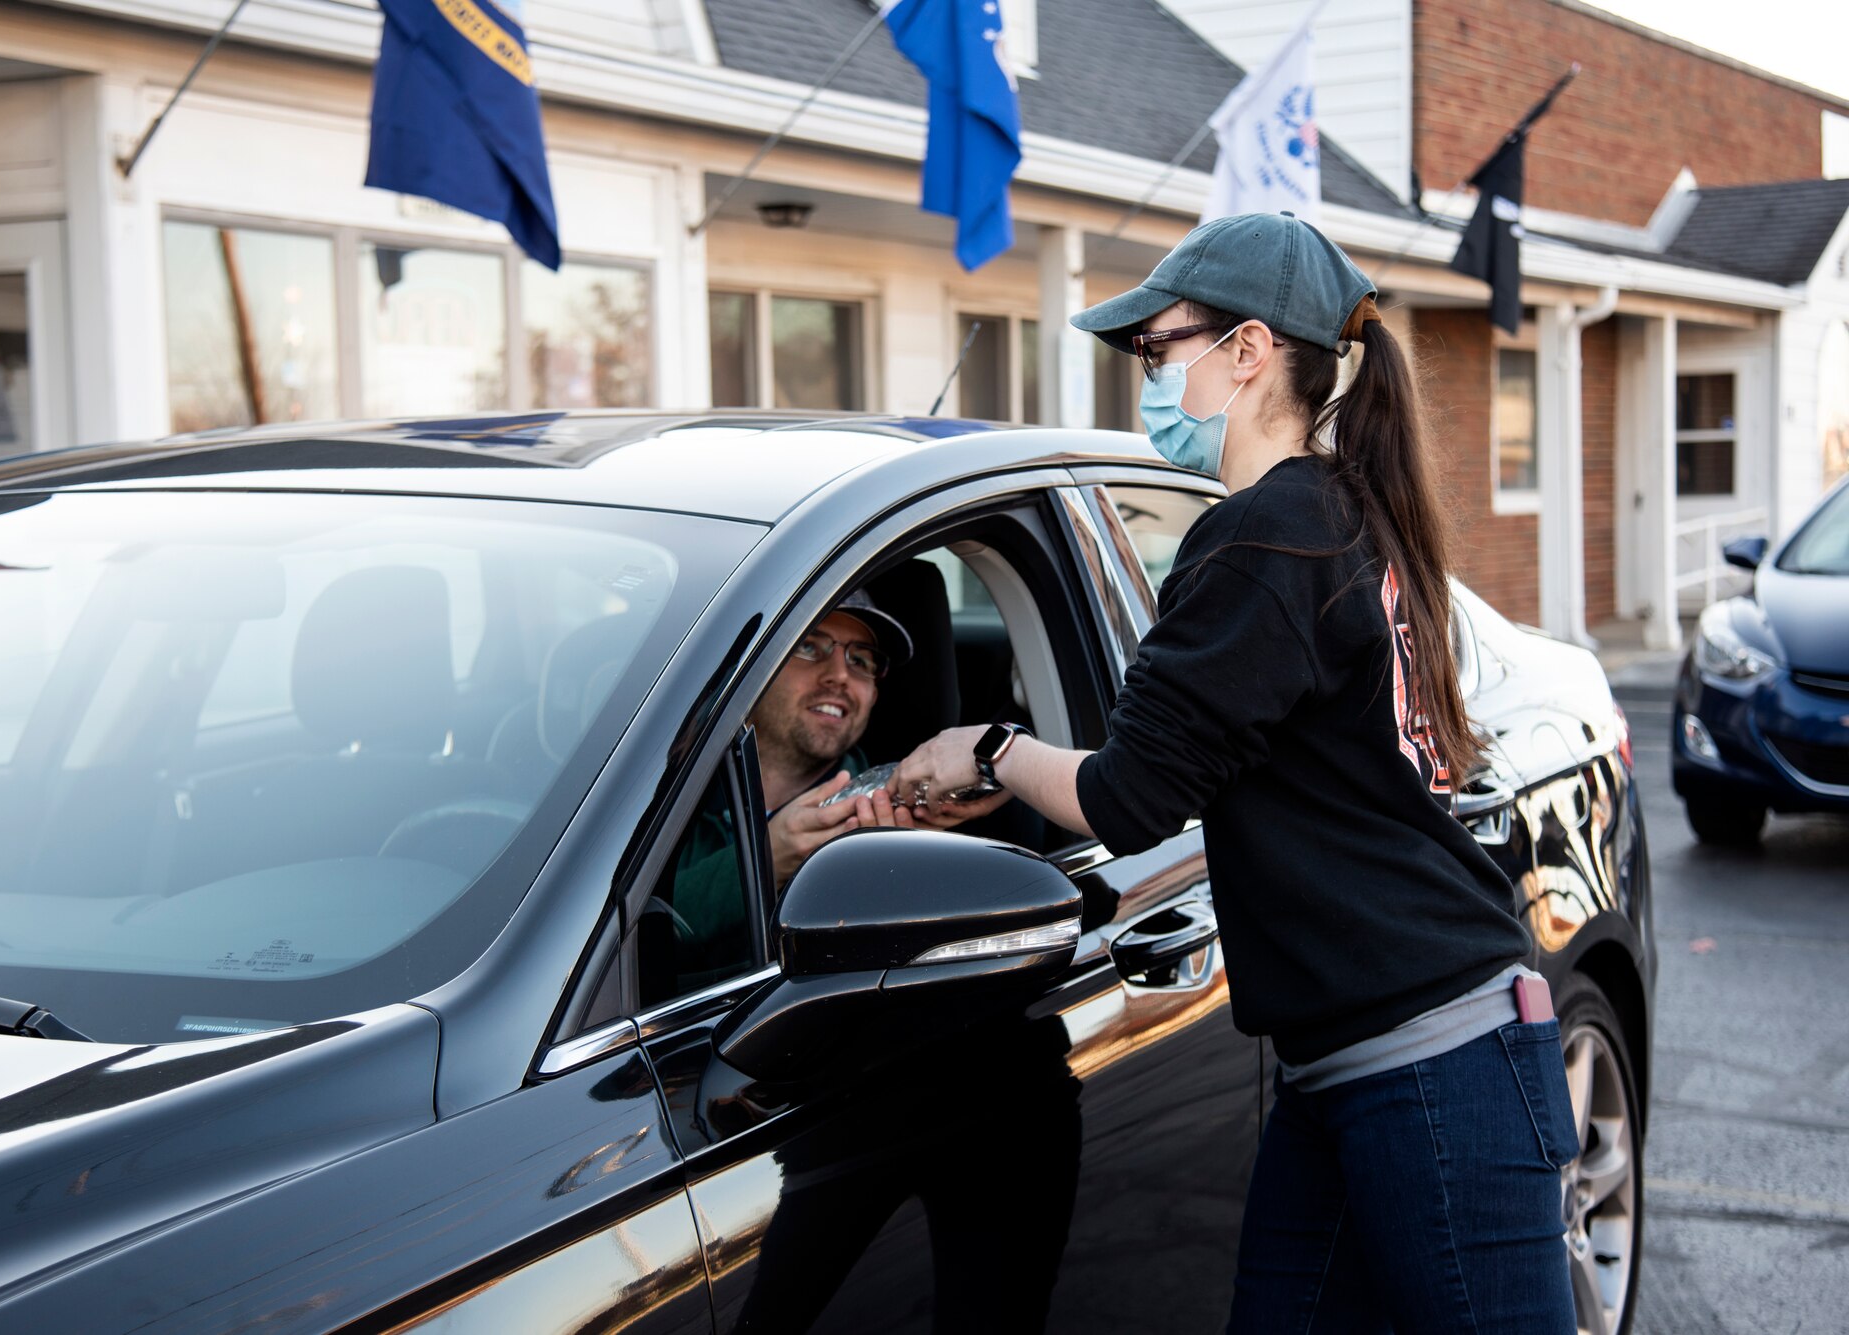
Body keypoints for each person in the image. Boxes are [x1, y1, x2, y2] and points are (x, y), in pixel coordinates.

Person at [888, 212, 1580, 1333]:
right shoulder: (1341, 515)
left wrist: (989, 751)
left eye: (1158, 351)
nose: (1148, 379)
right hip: (1353, 1066)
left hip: (1430, 1069)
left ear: (1246, 350)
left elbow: (1129, 798)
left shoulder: (1263, 539)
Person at [665, 588, 964, 991]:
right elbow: (617, 948)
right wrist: (765, 858)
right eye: (809, 645)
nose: (840, 675)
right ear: (753, 669)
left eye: (860, 660)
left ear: (874, 693)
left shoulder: (899, 822)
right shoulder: (662, 791)